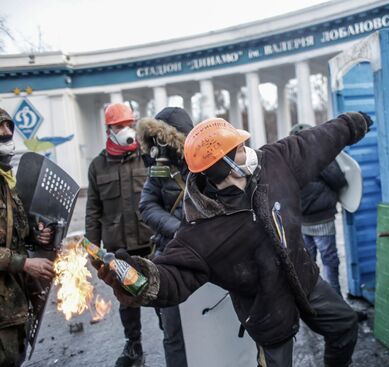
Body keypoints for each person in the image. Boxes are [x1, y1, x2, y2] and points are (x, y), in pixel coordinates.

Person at [98, 112, 373, 367]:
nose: (250, 151)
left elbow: (313, 143)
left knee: (345, 325)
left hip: (305, 280)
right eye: (240, 150)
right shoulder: (200, 232)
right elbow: (172, 276)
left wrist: (351, 124)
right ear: (222, 167)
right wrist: (138, 278)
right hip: (266, 309)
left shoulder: (273, 162)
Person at [85, 103, 153, 367]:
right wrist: (92, 248)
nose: (126, 130)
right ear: (109, 129)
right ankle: (133, 345)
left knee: (162, 294)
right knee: (127, 300)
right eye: (119, 126)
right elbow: (93, 210)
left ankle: (172, 339)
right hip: (119, 246)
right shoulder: (97, 166)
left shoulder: (147, 157)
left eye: (129, 124)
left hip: (150, 243)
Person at [137, 107, 193, 367]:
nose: (159, 146)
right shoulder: (159, 169)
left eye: (163, 138)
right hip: (169, 257)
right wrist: (178, 228)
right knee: (173, 333)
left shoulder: (206, 161)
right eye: (155, 139)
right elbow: (147, 206)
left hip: (206, 256)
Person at [0, 108, 55, 366]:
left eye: (9, 131)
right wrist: (24, 263)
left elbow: (18, 233)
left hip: (15, 304)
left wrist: (38, 235)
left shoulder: (7, 184)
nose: (8, 137)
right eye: (0, 133)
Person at [290, 123, 347, 296]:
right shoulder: (322, 157)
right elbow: (339, 181)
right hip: (323, 219)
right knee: (329, 260)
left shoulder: (288, 161)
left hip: (301, 220)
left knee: (308, 263)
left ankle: (313, 302)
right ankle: (337, 301)